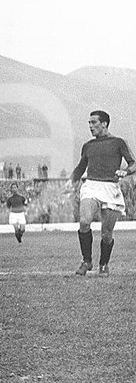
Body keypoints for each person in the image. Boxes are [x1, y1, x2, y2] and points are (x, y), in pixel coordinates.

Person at [67, 110, 135, 275]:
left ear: (104, 123)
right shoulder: (88, 146)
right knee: (84, 221)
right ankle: (86, 261)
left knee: (106, 233)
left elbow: (133, 163)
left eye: (94, 122)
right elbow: (80, 167)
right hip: (91, 186)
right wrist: (71, 181)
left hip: (111, 188)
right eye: (89, 123)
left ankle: (103, 264)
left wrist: (125, 172)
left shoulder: (118, 142)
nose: (90, 126)